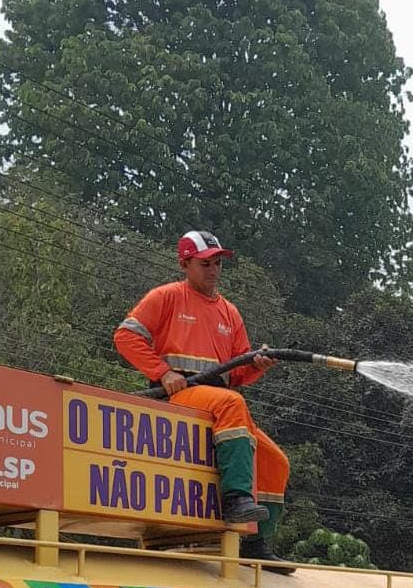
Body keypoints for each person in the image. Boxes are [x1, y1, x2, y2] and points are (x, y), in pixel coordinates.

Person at [114, 231, 293, 567]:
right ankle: (236, 500)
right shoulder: (165, 297)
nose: (214, 269)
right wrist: (163, 371)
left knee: (275, 461)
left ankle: (256, 546)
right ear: (185, 264)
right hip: (178, 396)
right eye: (205, 263)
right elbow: (125, 337)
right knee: (232, 404)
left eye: (218, 262)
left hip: (219, 399)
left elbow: (238, 371)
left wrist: (258, 365)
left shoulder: (230, 312)